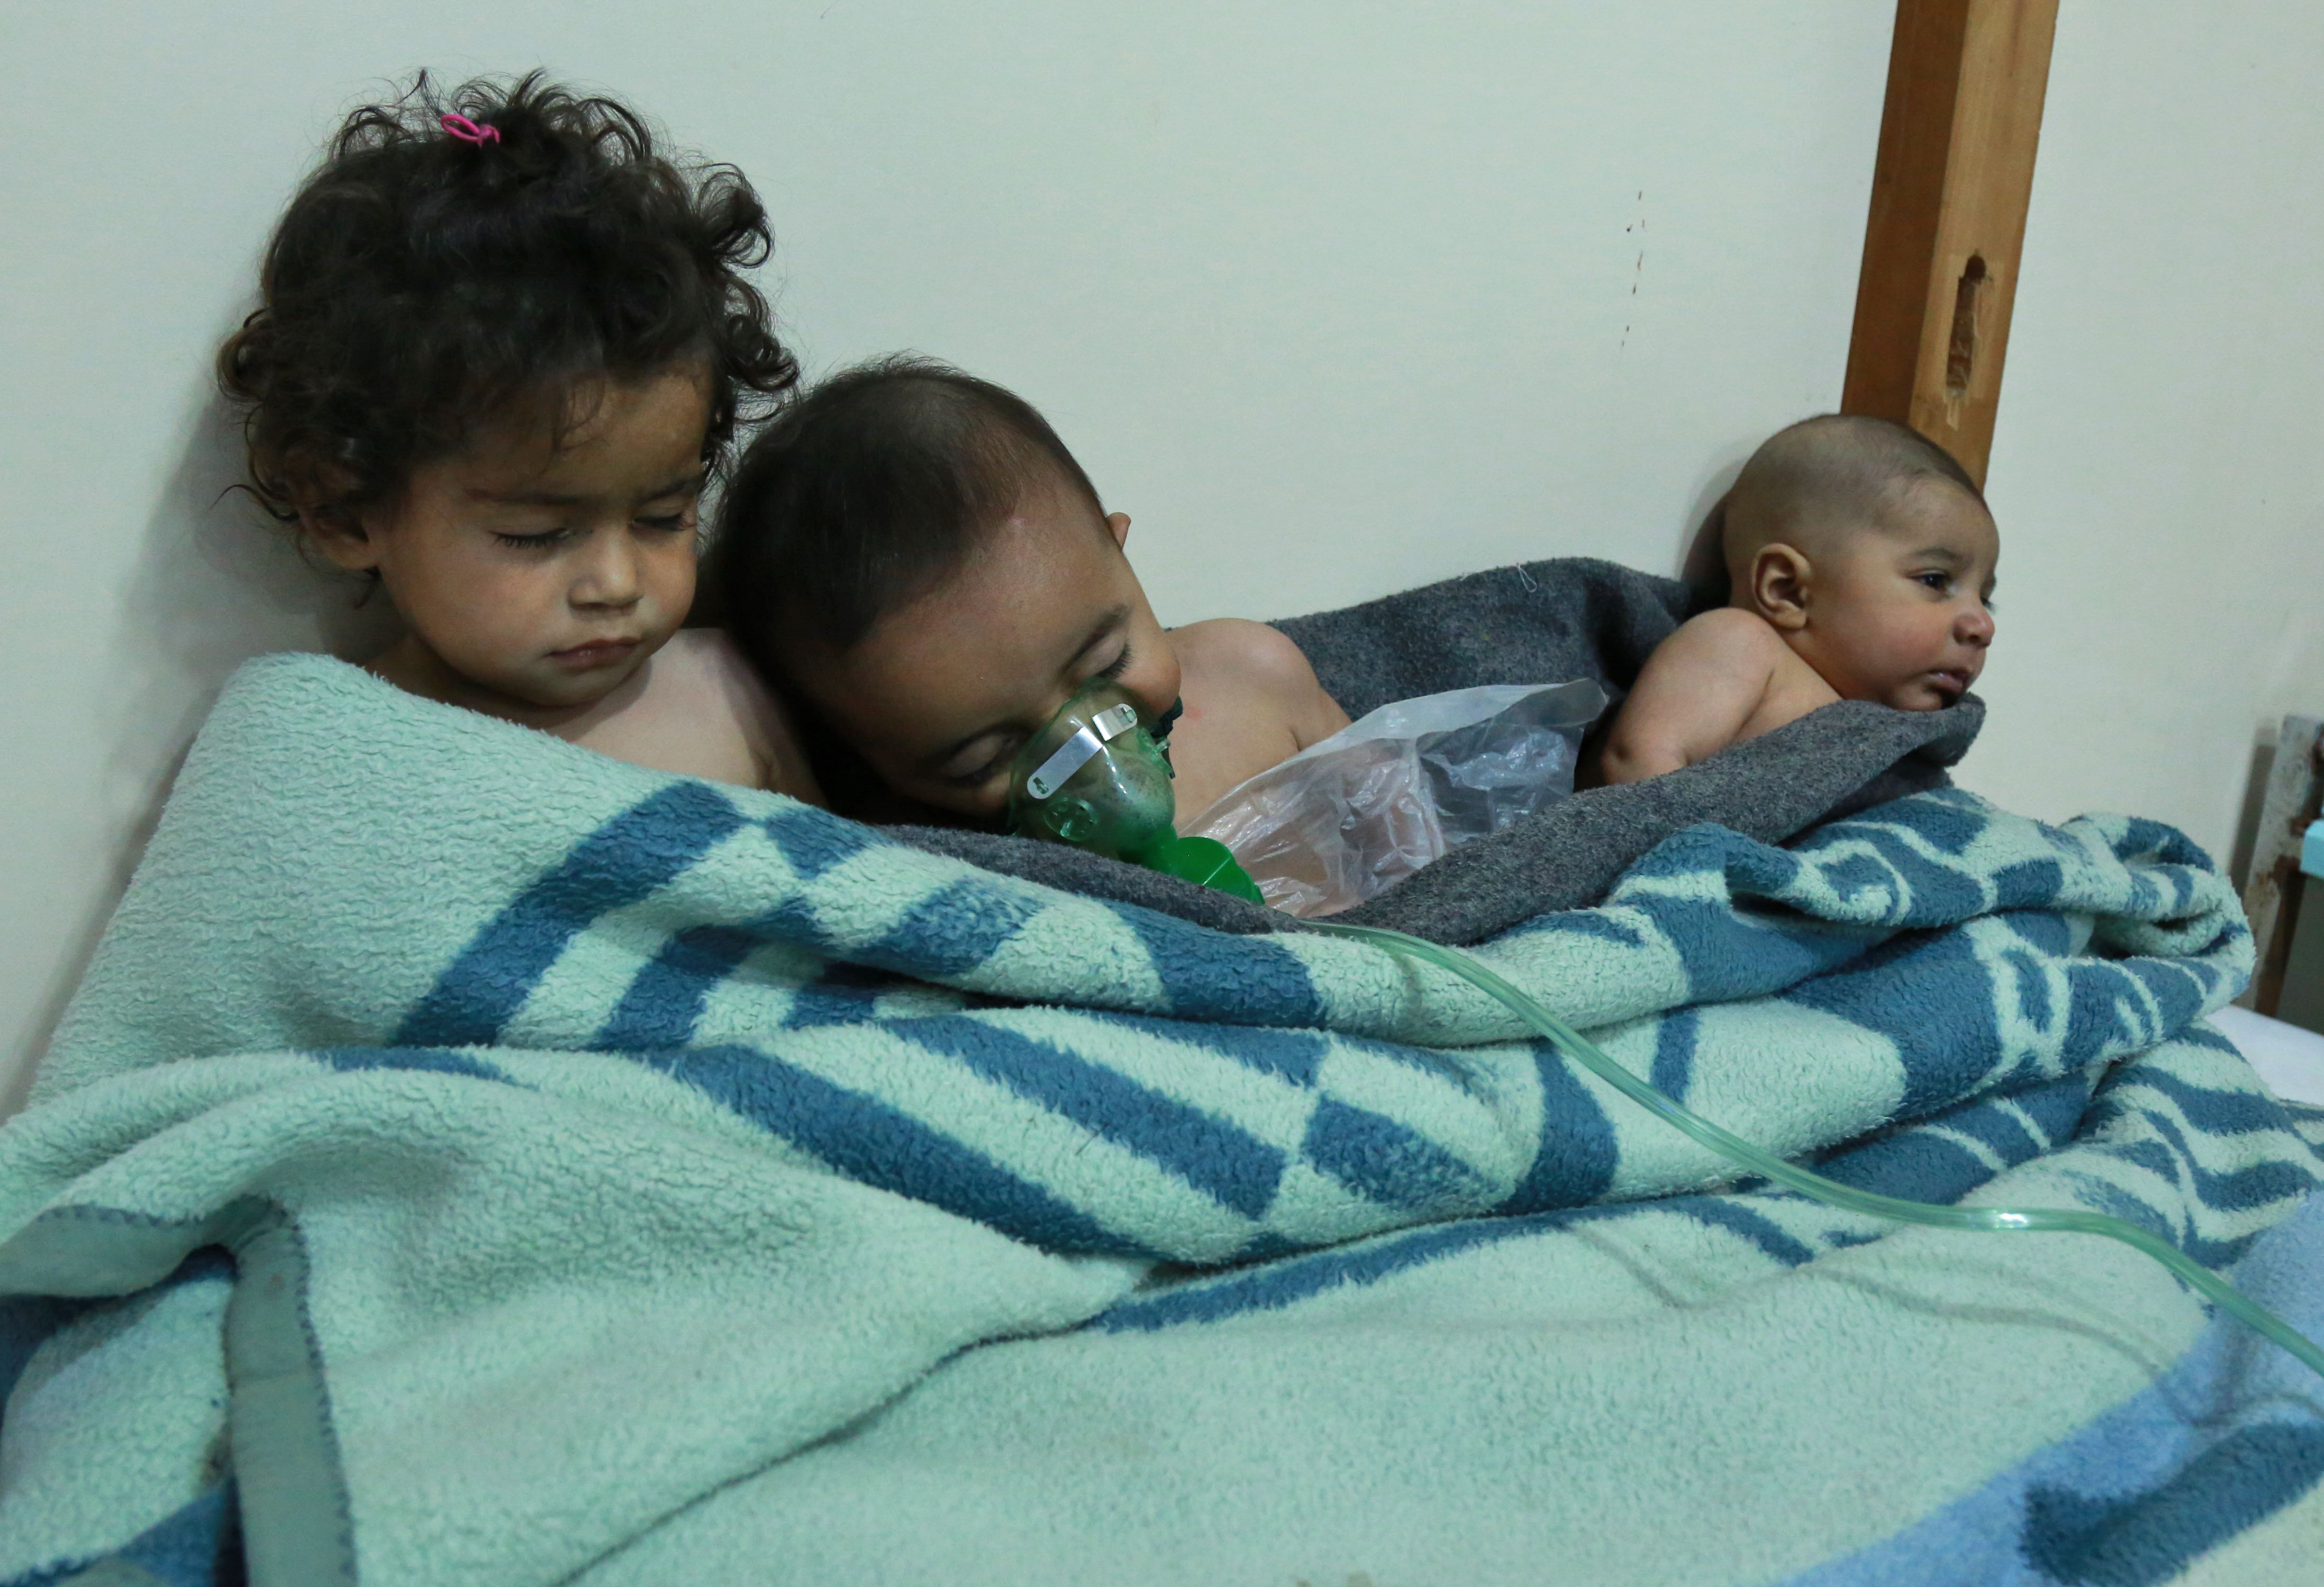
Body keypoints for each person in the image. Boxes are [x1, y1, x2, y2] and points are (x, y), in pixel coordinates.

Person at [218, 71, 821, 796]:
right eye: (536, 534)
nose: (617, 585)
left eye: (664, 518)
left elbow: (844, 893)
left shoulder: (731, 694)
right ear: (343, 508)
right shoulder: (322, 753)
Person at [704, 357, 1350, 826]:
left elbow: (1416, 838)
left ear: (1116, 547)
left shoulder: (1255, 677)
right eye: (984, 760)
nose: (1082, 748)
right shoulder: (926, 857)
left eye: (1107, 665)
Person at [1596, 414, 1997, 786]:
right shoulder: (1741, 644)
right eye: (1935, 580)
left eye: (1985, 599)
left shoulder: (1892, 737)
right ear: (1787, 590)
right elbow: (1638, 763)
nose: (1982, 626)